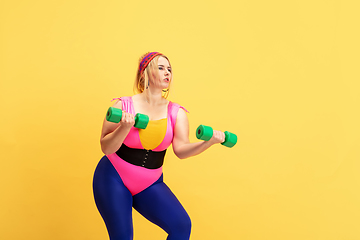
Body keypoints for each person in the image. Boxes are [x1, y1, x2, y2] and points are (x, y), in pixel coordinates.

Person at [93, 52, 225, 240]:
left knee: (181, 225)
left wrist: (208, 142)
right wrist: (124, 127)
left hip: (149, 182)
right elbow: (106, 148)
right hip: (113, 177)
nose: (167, 73)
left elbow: (181, 150)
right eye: (161, 68)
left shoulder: (176, 113)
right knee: (122, 236)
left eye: (169, 69)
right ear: (144, 73)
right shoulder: (123, 105)